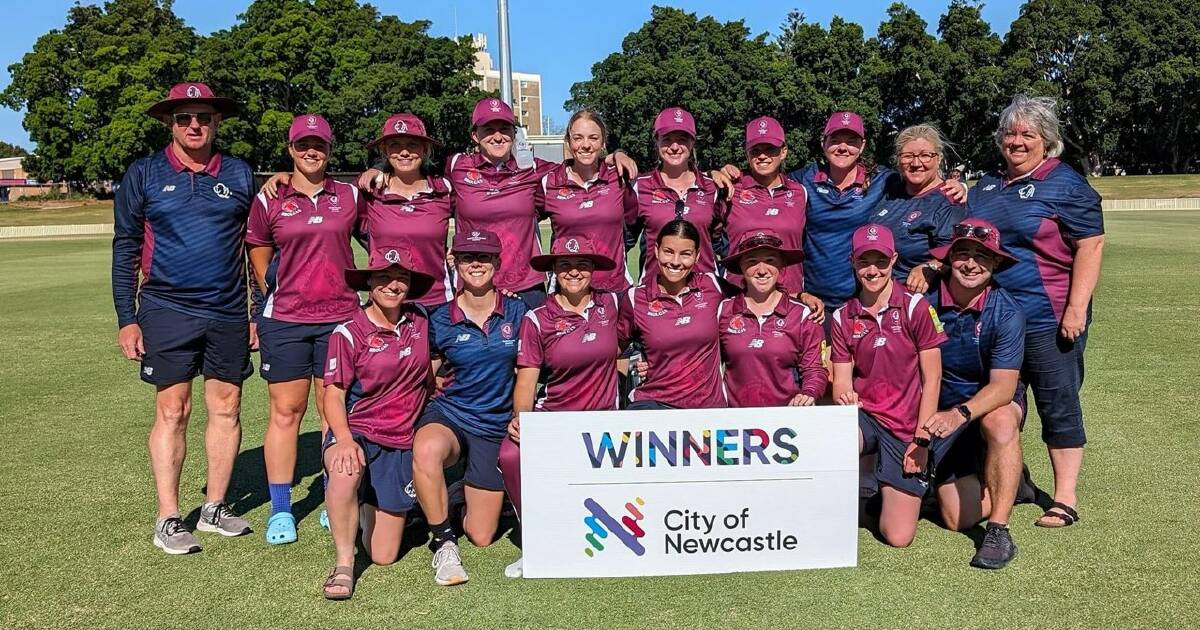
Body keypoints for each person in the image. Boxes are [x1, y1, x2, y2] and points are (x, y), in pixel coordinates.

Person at [112, 82, 255, 554]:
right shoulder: (145, 173)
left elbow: (254, 247)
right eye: (184, 118)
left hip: (229, 308)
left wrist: (256, 310)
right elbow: (126, 247)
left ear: (216, 122)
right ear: (169, 124)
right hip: (167, 309)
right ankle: (169, 516)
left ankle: (214, 507)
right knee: (173, 410)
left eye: (204, 117)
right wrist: (126, 317)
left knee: (227, 407)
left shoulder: (237, 173)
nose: (194, 125)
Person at [967, 95, 1104, 529]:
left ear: (1048, 140)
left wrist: (1076, 309)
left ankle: (1065, 496)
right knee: (999, 408)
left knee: (1057, 403)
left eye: (1028, 134)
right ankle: (1013, 483)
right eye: (1011, 133)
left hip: (1048, 317)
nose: (1017, 141)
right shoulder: (986, 185)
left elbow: (1091, 244)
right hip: (994, 321)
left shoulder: (1066, 183)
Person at [352, 98, 636, 307]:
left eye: (504, 128)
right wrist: (379, 167)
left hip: (528, 288)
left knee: (535, 373)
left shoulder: (536, 171)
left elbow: (580, 164)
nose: (497, 136)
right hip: (474, 288)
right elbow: (410, 165)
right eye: (489, 129)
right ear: (475, 136)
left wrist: (615, 155)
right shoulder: (455, 167)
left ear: (515, 134)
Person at [714, 112, 966, 316]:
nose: (843, 147)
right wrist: (722, 174)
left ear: (863, 145)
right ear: (823, 142)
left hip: (862, 296)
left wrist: (959, 186)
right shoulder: (803, 180)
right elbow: (766, 183)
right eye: (835, 139)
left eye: (852, 140)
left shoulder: (883, 180)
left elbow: (919, 182)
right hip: (811, 297)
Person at [246, 114, 362, 545]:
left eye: (319, 145)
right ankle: (281, 509)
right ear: (290, 148)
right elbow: (258, 244)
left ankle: (337, 494)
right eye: (302, 145)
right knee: (285, 412)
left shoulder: (349, 194)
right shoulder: (271, 197)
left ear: (330, 149)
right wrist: (270, 286)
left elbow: (376, 233)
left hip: (341, 317)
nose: (311, 152)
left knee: (334, 411)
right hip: (287, 319)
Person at [498, 236, 621, 578]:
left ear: (593, 270)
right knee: (511, 455)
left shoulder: (611, 304)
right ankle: (537, 541)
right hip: (555, 419)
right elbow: (526, 379)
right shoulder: (537, 318)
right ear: (553, 270)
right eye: (565, 265)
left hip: (604, 421)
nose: (574, 272)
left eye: (582, 264)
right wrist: (521, 419)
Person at [320, 245, 434, 600]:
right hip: (358, 431)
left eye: (401, 277)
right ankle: (343, 563)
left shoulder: (421, 320)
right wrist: (342, 439)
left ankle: (368, 502)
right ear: (369, 281)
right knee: (344, 470)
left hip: (401, 439)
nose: (393, 284)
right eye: (384, 276)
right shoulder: (348, 331)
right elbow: (333, 395)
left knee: (384, 556)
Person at [414, 229, 528, 586]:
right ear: (455, 262)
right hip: (452, 415)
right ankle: (444, 541)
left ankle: (455, 491)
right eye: (467, 257)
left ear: (497, 262)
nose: (475, 264)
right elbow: (424, 375)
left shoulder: (519, 310)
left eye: (483, 258)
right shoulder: (439, 319)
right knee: (427, 447)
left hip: (494, 426)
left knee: (481, 535)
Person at [830, 224, 952, 548]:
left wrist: (922, 440)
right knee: (837, 438)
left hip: (905, 427)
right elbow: (841, 379)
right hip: (867, 416)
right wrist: (845, 396)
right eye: (864, 261)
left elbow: (933, 378)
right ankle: (866, 476)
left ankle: (895, 484)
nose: (872, 270)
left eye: (880, 261)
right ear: (852, 262)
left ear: (893, 260)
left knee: (897, 536)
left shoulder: (917, 307)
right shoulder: (843, 316)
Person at [922, 219, 1026, 569]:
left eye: (982, 256)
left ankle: (999, 528)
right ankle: (1013, 482)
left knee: (1000, 422)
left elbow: (1004, 388)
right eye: (963, 253)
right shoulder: (923, 300)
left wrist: (960, 415)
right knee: (955, 517)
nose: (970, 263)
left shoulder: (1007, 312)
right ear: (949, 258)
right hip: (938, 405)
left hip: (984, 404)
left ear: (995, 263)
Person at [617, 218, 726, 410]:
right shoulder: (635, 298)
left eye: (685, 254)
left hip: (708, 409)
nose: (675, 262)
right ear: (656, 250)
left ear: (697, 256)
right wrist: (637, 360)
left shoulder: (713, 286)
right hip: (653, 405)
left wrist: (799, 294)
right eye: (668, 252)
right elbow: (610, 351)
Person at [723, 117, 823, 321]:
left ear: (783, 151)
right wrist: (713, 172)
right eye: (755, 150)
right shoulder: (730, 189)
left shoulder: (800, 193)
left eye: (770, 149)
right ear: (746, 152)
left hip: (791, 298)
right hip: (738, 298)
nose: (762, 156)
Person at [718, 229, 827, 407]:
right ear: (741, 267)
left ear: (781, 265)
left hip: (786, 420)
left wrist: (809, 393)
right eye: (752, 262)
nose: (762, 270)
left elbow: (815, 369)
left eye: (770, 261)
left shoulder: (802, 315)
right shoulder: (724, 310)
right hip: (734, 424)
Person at [359, 113, 455, 306]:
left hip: (437, 303)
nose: (404, 152)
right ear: (385, 151)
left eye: (412, 144)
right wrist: (285, 176)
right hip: (385, 305)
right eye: (395, 145)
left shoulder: (444, 190)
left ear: (425, 148)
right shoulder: (368, 191)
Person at [626, 107, 726, 279]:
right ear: (656, 140)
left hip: (705, 297)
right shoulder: (638, 187)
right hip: (655, 298)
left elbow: (723, 245)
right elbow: (621, 245)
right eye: (667, 139)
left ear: (693, 142)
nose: (674, 147)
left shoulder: (713, 188)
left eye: (682, 139)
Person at [538, 110, 631, 292]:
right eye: (578, 138)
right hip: (566, 291)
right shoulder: (549, 182)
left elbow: (635, 223)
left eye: (593, 138)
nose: (586, 145)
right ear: (569, 141)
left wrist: (619, 154)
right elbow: (522, 223)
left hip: (614, 289)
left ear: (603, 142)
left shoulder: (620, 177)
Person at [870, 124, 966, 293]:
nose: (916, 163)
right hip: (879, 297)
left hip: (918, 303)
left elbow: (956, 255)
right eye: (907, 156)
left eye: (925, 155)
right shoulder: (891, 190)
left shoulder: (948, 200)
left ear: (939, 158)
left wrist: (931, 267)